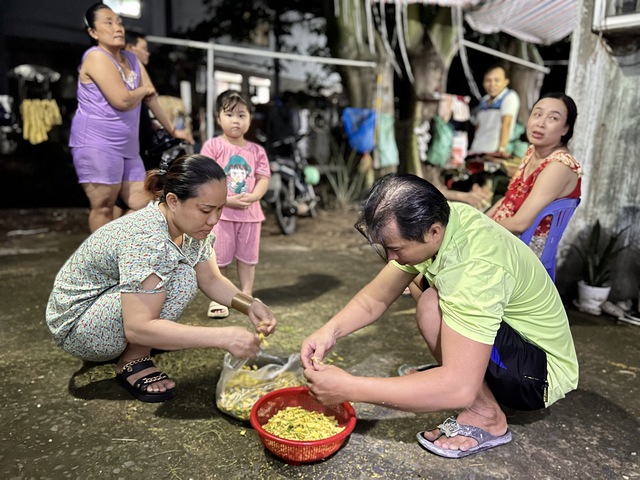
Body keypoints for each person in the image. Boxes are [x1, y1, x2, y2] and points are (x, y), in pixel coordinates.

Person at [300, 173, 578, 458]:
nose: (391, 259)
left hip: (537, 377)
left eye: (395, 249)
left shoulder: (474, 268)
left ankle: (487, 416)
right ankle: (458, 370)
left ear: (432, 231)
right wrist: (329, 331)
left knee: (431, 306)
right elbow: (376, 298)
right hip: (518, 344)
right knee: (418, 282)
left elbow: (459, 390)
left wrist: (350, 388)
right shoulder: (447, 220)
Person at [46, 154, 276, 403]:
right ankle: (133, 361)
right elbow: (137, 328)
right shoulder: (148, 240)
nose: (214, 220)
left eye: (220, 209)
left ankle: (138, 346)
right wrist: (224, 337)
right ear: (173, 200)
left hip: (104, 309)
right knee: (182, 278)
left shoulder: (185, 227)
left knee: (186, 274)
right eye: (206, 210)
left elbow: (211, 278)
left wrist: (249, 304)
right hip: (78, 326)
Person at [70, 3, 191, 232]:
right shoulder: (96, 57)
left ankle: (116, 246)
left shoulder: (131, 59)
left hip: (128, 148)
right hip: (96, 144)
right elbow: (122, 100)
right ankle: (102, 263)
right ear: (93, 32)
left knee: (144, 201)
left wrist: (173, 131)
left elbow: (152, 97)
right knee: (103, 206)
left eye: (119, 22)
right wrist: (142, 90)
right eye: (108, 22)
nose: (117, 27)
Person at [200, 90, 270, 319]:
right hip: (222, 215)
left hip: (251, 215)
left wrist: (255, 196)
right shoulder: (212, 147)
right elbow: (205, 179)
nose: (236, 120)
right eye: (229, 114)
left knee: (248, 259)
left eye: (242, 114)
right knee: (219, 259)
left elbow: (263, 177)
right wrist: (225, 200)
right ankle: (219, 297)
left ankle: (246, 294)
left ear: (250, 118)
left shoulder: (257, 150)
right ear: (218, 117)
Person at [486, 92, 582, 257]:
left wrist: (480, 228)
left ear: (566, 128)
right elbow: (509, 199)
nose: (541, 123)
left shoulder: (558, 166)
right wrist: (480, 219)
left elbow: (520, 223)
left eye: (553, 118)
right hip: (502, 231)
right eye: (537, 114)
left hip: (524, 245)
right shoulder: (532, 151)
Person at [124, 30, 194, 170]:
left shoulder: (127, 71)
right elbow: (150, 99)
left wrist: (151, 123)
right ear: (130, 48)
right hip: (132, 143)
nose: (147, 53)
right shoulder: (132, 69)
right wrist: (173, 130)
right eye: (144, 48)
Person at [468, 64, 520, 156]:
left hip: (493, 152)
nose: (492, 84)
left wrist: (502, 148)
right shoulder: (484, 100)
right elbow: (478, 126)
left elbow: (506, 123)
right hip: (477, 150)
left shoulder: (509, 97)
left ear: (506, 82)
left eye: (497, 80)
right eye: (488, 80)